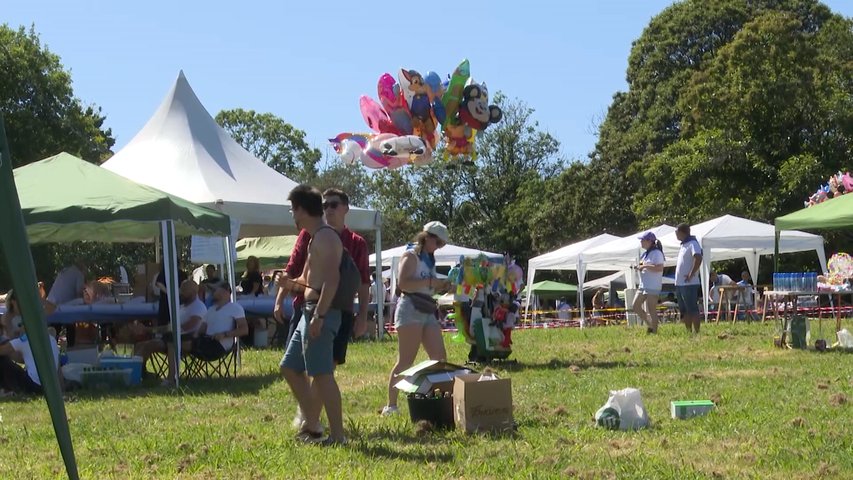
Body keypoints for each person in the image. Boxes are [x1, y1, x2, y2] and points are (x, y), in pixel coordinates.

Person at [279, 185, 348, 445]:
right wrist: (287, 283)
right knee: (289, 367)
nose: (292, 216)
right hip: (309, 312)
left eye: (292, 210)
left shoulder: (327, 237)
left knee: (322, 375)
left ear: (300, 209)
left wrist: (319, 316)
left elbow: (332, 280)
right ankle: (313, 423)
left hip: (322, 312)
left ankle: (338, 435)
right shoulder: (314, 237)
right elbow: (307, 282)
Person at [381, 221, 451, 417]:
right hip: (410, 308)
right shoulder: (411, 255)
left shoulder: (429, 259)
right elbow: (404, 284)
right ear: (427, 237)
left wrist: (443, 286)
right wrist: (431, 282)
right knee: (405, 361)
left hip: (427, 308)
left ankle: (436, 399)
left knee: (439, 358)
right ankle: (391, 406)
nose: (439, 248)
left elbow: (426, 286)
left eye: (442, 245)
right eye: (438, 243)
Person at [165, 281, 247, 387]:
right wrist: (190, 335)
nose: (212, 293)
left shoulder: (235, 308)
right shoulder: (211, 309)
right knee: (172, 339)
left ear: (225, 291)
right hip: (205, 341)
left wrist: (225, 334)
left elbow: (244, 329)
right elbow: (201, 330)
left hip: (218, 345)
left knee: (173, 343)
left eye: (214, 290)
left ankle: (171, 378)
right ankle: (172, 376)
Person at [133, 280, 206, 378]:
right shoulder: (182, 306)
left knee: (148, 345)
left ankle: (136, 374)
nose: (181, 292)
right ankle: (140, 372)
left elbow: (187, 327)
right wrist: (153, 330)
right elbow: (171, 326)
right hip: (171, 337)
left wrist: (152, 330)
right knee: (139, 345)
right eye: (181, 289)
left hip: (185, 342)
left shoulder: (199, 307)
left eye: (184, 290)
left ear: (193, 292)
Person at [0, 290, 60, 396]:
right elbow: (10, 341)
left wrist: (37, 299)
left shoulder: (30, 315)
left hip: (24, 346)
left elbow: (52, 308)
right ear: (13, 302)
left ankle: (6, 390)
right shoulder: (7, 318)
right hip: (19, 347)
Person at [631, 231, 666, 334]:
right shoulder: (646, 254)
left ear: (649, 241)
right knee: (635, 306)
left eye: (642, 240)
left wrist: (645, 266)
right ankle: (649, 324)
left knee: (651, 309)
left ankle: (654, 331)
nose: (641, 242)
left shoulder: (657, 253)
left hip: (653, 285)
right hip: (643, 285)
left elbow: (659, 268)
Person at [675, 223, 703, 334]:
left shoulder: (693, 243)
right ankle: (688, 331)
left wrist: (691, 274)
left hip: (689, 283)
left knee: (692, 308)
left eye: (676, 232)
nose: (676, 235)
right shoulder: (683, 245)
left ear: (682, 232)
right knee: (684, 310)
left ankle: (697, 332)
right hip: (680, 283)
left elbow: (698, 257)